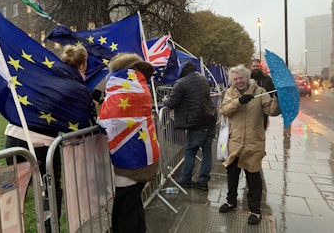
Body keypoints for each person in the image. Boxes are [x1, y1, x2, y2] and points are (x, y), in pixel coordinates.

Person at [4, 44, 97, 232]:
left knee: (23, 193)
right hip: (39, 144)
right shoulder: (75, 85)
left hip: (12, 137)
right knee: (51, 194)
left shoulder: (49, 73)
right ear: (83, 65)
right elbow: (87, 119)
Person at [97, 53, 160, 233]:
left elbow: (105, 119)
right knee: (133, 204)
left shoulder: (125, 87)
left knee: (124, 211)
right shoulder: (137, 85)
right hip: (144, 156)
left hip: (132, 163)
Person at [218, 64, 281, 225]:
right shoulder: (229, 93)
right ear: (232, 80)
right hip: (235, 142)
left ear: (247, 77)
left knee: (253, 178)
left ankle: (255, 210)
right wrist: (239, 101)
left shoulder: (259, 92)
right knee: (232, 175)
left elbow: (271, 111)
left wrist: (277, 99)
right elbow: (224, 110)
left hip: (254, 142)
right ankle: (231, 202)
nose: (238, 81)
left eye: (241, 78)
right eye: (235, 79)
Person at [162, 60, 217, 191]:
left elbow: (171, 103)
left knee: (190, 151)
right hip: (210, 119)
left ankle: (185, 180)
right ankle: (203, 181)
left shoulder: (181, 83)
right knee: (207, 152)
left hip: (196, 122)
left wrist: (165, 100)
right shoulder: (202, 79)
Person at [250, 59, 275, 130]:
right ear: (251, 67)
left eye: (257, 66)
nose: (255, 68)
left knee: (262, 131)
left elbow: (272, 91)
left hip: (263, 111)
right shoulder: (247, 79)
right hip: (250, 111)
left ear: (260, 67)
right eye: (254, 66)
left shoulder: (267, 79)